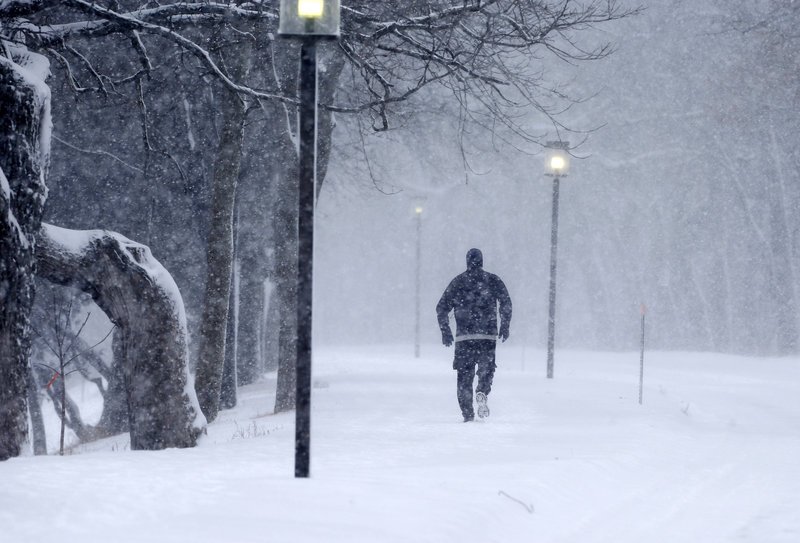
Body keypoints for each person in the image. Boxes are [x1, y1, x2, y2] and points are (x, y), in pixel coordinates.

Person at [436, 248, 512, 422]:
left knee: (464, 376)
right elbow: (506, 301)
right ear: (482, 261)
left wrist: (445, 330)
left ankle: (468, 414)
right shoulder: (492, 280)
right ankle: (482, 391)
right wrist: (505, 325)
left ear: (467, 261)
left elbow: (441, 307)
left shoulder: (458, 282)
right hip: (487, 336)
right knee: (487, 369)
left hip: (465, 338)